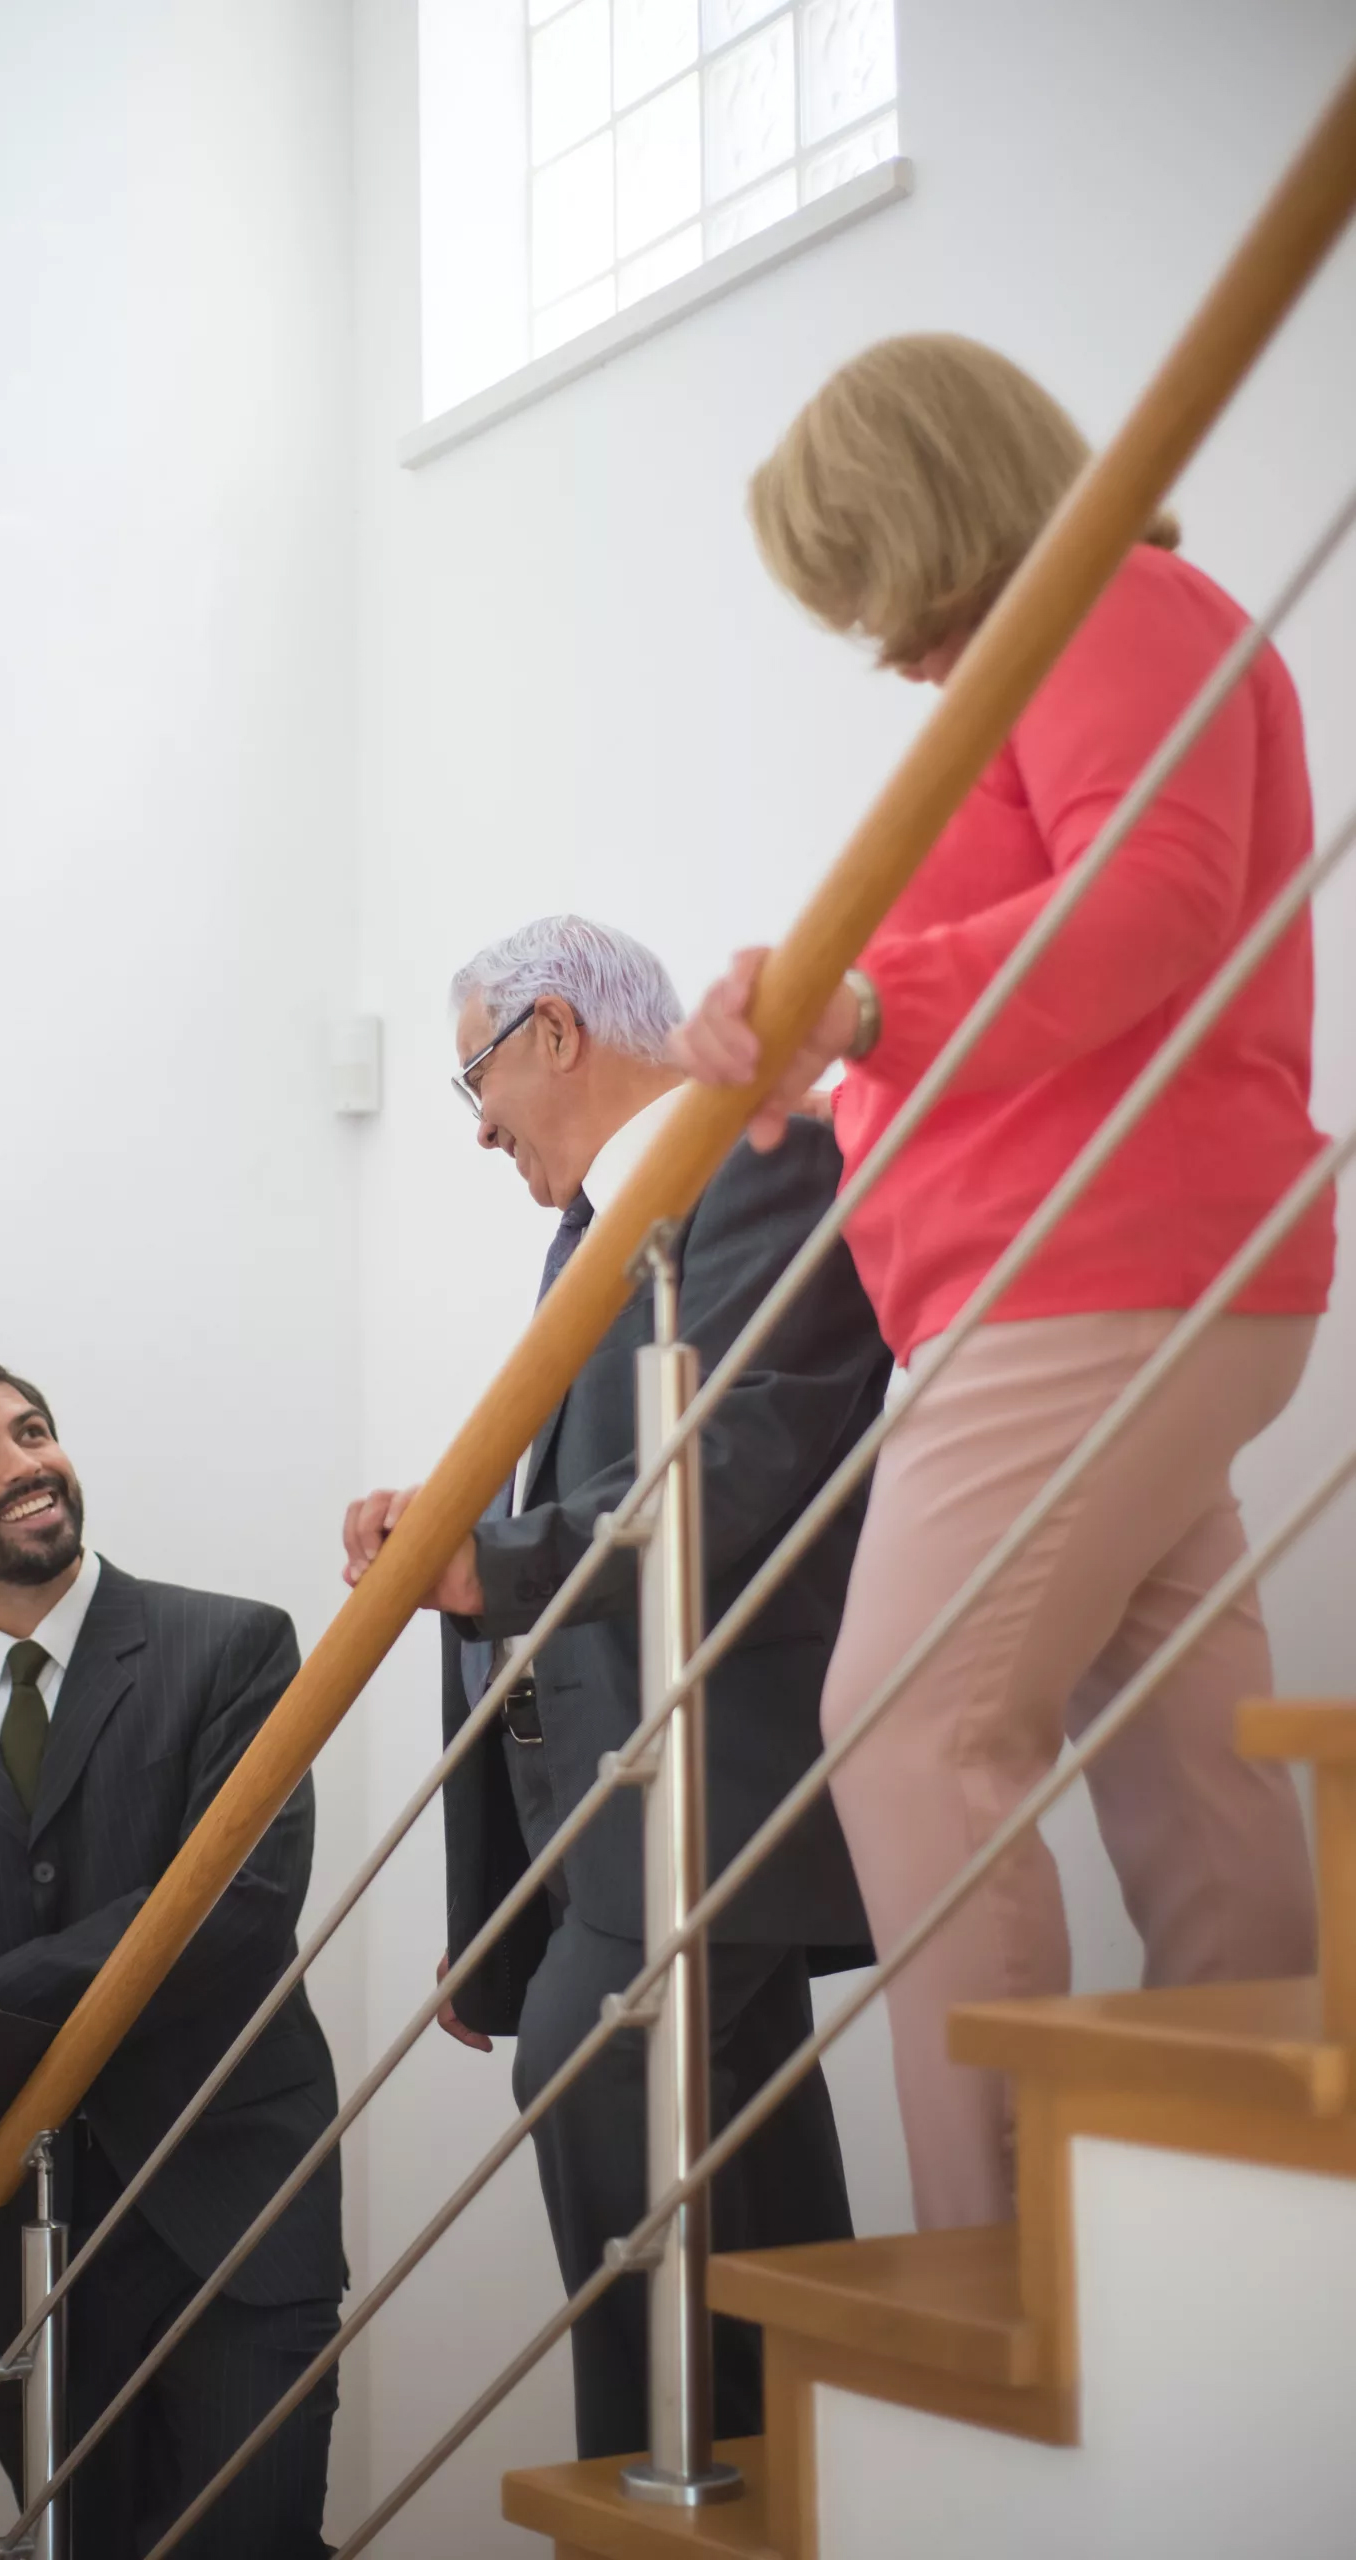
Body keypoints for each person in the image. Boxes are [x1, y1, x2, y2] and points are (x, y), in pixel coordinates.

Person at [670, 334, 1331, 2231]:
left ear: (931, 513)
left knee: (904, 1724)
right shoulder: (1069, 655)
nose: (866, 635)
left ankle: (1008, 2254)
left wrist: (867, 999)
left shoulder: (1112, 605)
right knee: (1185, 1750)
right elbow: (1050, 936)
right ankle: (1245, 2201)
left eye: (858, 573)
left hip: (1087, 1279)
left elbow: (1151, 900)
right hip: (1098, 1278)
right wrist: (814, 1031)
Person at [341, 915, 891, 2460]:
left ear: (554, 1031)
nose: (475, 1127)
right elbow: (592, 1517)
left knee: (608, 2088)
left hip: (703, 1790)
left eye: (473, 1080)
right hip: (610, 1825)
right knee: (749, 2183)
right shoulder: (589, 1229)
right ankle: (815, 2475)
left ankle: (679, 2497)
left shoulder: (754, 1158)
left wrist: (489, 1559)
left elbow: (747, 1460)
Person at [0, 1352, 343, 2558]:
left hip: (232, 2205)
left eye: (31, 1431)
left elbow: (239, 1905)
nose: (25, 1462)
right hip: (17, 2243)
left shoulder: (234, 1646)